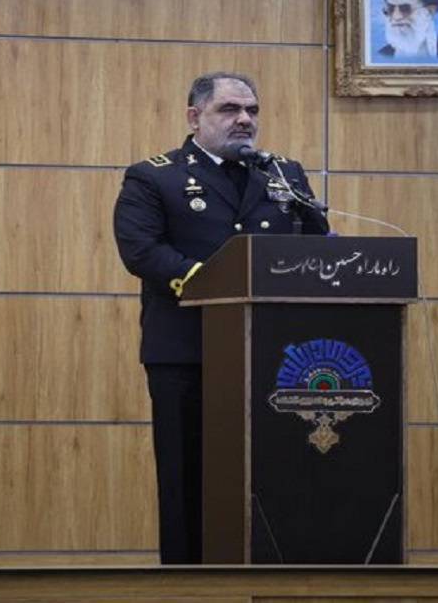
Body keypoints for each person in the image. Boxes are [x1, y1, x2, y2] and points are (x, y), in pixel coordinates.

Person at [113, 72, 329, 564]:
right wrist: (215, 283)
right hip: (187, 350)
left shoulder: (282, 173)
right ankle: (188, 583)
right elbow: (142, 251)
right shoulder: (155, 176)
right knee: (187, 472)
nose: (245, 120)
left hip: (275, 351)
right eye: (229, 109)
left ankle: (273, 572)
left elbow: (316, 244)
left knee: (274, 467)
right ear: (195, 117)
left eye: (252, 110)